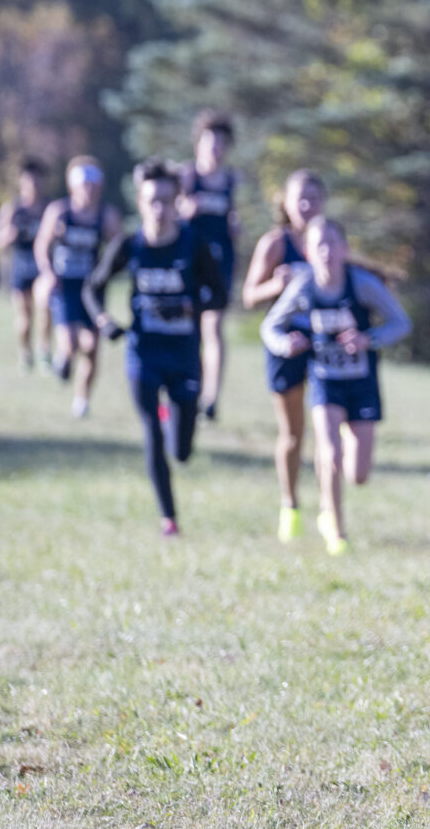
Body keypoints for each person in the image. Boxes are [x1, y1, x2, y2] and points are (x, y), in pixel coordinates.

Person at [84, 160, 223, 537]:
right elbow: (92, 288)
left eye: (165, 200)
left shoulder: (194, 244)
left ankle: (175, 417)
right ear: (140, 203)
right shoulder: (130, 245)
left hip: (183, 354)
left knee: (181, 450)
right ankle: (169, 518)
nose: (158, 209)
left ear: (178, 200)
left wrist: (191, 306)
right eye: (151, 201)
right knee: (151, 433)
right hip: (143, 352)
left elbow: (219, 294)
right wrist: (105, 322)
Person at [261, 215, 411, 554]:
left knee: (358, 474)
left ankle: (342, 467)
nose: (327, 252)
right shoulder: (302, 285)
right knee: (328, 452)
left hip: (361, 382)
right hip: (325, 381)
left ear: (344, 248)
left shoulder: (361, 284)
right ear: (308, 252)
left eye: (332, 244)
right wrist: (287, 345)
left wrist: (368, 339)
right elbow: (270, 327)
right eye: (319, 245)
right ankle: (336, 529)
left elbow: (401, 323)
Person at [241, 171, 328, 542]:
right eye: (299, 198)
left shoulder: (329, 238)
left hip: (325, 343)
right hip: (285, 344)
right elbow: (248, 295)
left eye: (313, 197)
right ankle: (290, 505)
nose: (306, 205)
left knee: (328, 433)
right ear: (286, 203)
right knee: (293, 433)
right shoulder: (276, 243)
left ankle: (329, 508)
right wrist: (276, 285)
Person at [34, 157, 120, 418]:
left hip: (91, 290)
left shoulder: (106, 216)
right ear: (73, 186)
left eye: (94, 184)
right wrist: (48, 273)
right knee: (71, 342)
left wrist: (109, 271)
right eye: (84, 184)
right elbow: (42, 245)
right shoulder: (59, 211)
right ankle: (61, 356)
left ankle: (82, 401)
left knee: (92, 346)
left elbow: (120, 248)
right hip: (64, 285)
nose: (89, 190)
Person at [179, 113, 242, 422]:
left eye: (221, 144)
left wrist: (235, 225)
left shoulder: (231, 181)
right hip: (189, 265)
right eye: (210, 142)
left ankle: (212, 398)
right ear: (198, 144)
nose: (215, 149)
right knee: (189, 330)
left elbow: (235, 217)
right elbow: (166, 214)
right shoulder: (187, 177)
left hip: (221, 265)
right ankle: (189, 388)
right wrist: (185, 211)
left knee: (214, 327)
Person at [0, 159, 48, 370]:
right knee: (24, 316)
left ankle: (44, 353)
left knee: (45, 310)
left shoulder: (49, 208)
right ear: (21, 182)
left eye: (37, 179)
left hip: (43, 267)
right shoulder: (12, 209)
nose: (33, 184)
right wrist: (9, 235)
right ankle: (25, 354)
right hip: (20, 266)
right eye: (29, 180)